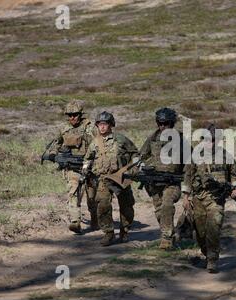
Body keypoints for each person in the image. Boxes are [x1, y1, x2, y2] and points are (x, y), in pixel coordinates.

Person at [182, 124, 236, 273]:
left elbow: (235, 174)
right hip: (198, 198)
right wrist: (185, 196)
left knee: (214, 227)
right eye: (208, 139)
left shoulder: (226, 156)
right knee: (201, 232)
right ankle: (206, 251)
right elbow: (187, 176)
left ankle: (212, 258)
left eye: (214, 140)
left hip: (216, 198)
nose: (211, 143)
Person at [83, 111, 139, 246]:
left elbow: (135, 154)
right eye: (99, 124)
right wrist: (85, 169)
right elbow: (87, 158)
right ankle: (108, 233)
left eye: (105, 124)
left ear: (111, 125)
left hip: (121, 177)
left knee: (126, 205)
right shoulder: (94, 143)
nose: (102, 127)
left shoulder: (121, 139)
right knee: (102, 206)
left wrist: (133, 170)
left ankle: (124, 231)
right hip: (104, 178)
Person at [46, 100, 97, 233]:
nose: (72, 118)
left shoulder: (90, 128)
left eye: (74, 114)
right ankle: (75, 222)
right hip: (73, 167)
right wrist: (52, 154)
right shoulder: (64, 129)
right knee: (73, 194)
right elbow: (56, 143)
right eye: (69, 115)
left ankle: (95, 220)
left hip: (90, 167)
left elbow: (99, 144)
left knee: (92, 197)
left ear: (80, 114)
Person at [138, 107, 185, 250]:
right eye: (159, 123)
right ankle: (171, 234)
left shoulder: (180, 140)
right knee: (159, 210)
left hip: (172, 182)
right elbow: (141, 155)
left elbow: (191, 162)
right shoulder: (153, 138)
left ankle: (166, 239)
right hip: (155, 181)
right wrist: (144, 167)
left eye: (166, 124)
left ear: (172, 123)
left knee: (167, 205)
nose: (162, 126)